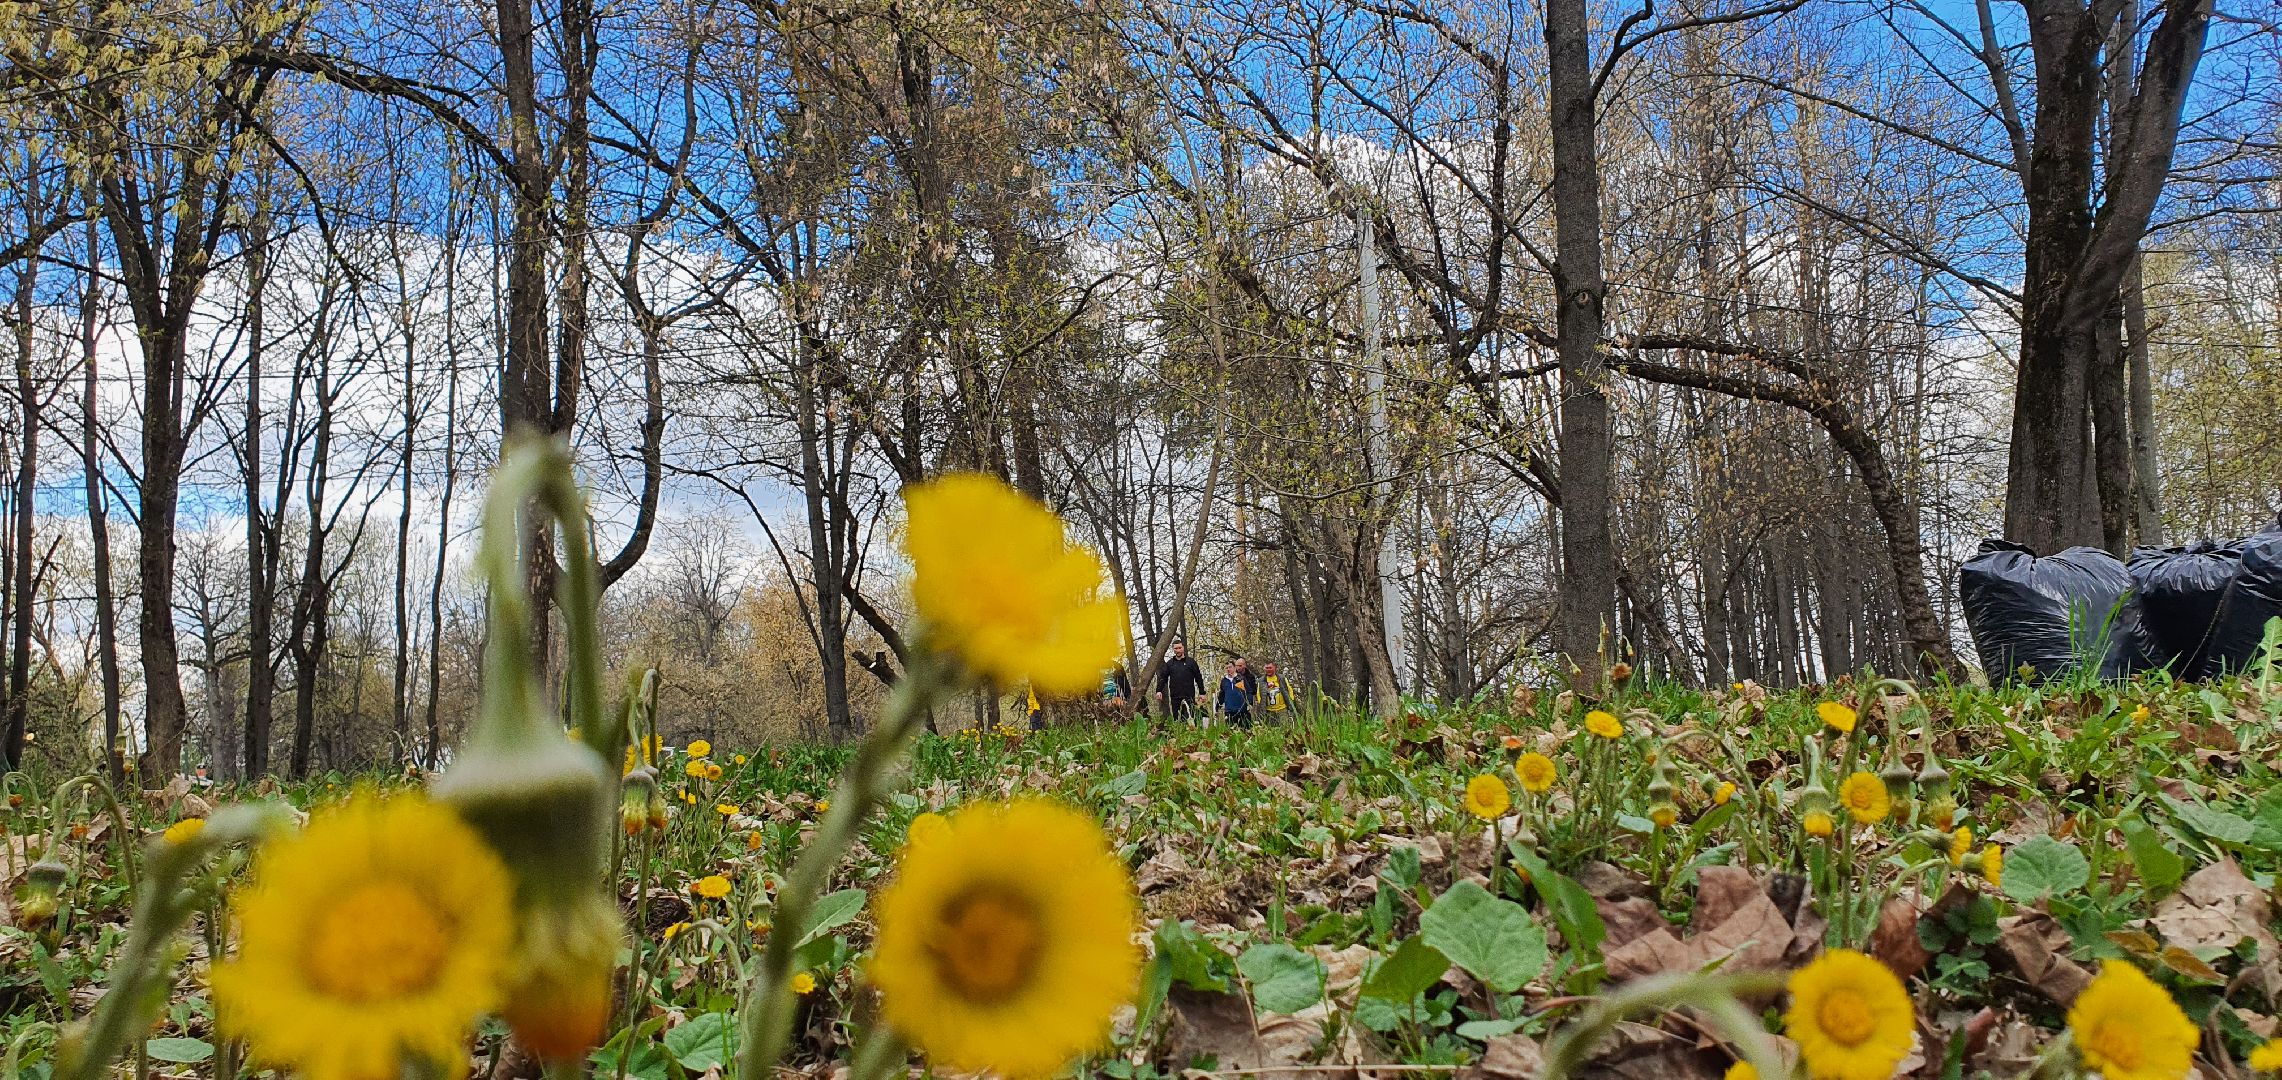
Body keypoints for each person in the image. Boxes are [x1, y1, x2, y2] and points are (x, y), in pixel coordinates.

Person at [1155, 641, 1206, 722]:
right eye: (1176, 648)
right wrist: (1158, 690)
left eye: (1179, 648)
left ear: (1183, 648)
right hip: (1175, 697)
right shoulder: (1170, 663)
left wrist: (1202, 693)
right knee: (1177, 720)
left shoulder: (1191, 662)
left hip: (1189, 696)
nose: (1178, 650)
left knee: (1190, 719)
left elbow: (1198, 677)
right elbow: (1163, 678)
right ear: (1173, 649)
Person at [1217, 662, 1254, 728]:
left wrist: (1250, 703)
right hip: (1229, 710)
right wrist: (1218, 707)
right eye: (1227, 668)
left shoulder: (1241, 679)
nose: (1228, 669)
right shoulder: (1224, 681)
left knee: (1245, 731)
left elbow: (1249, 692)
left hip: (1242, 709)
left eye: (1230, 667)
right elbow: (1222, 694)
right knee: (1230, 733)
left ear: (1234, 668)